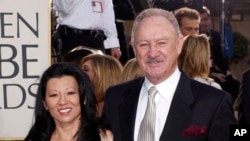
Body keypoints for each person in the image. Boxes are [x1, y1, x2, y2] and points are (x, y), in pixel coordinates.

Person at [101, 8, 236, 141]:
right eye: (144, 44)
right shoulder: (115, 97)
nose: (153, 53)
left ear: (179, 45)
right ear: (134, 49)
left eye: (161, 43)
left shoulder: (213, 102)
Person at [24, 63, 113, 141]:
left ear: (84, 98)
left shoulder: (105, 138)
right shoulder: (36, 139)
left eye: (70, 93)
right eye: (54, 95)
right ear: (45, 103)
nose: (62, 102)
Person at [52, 0, 121, 60]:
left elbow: (108, 14)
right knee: (72, 71)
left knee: (97, 72)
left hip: (97, 39)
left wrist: (113, 43)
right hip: (72, 37)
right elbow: (63, 8)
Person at [200, 6, 240, 100]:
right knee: (217, 87)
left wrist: (227, 71)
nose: (203, 23)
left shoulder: (215, 35)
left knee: (234, 84)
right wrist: (212, 74)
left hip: (213, 69)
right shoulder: (195, 38)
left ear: (209, 20)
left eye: (205, 19)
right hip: (201, 72)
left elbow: (219, 57)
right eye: (200, 20)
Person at [112, 0, 136, 65]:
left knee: (123, 66)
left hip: (119, 39)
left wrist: (108, 9)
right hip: (96, 39)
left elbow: (131, 13)